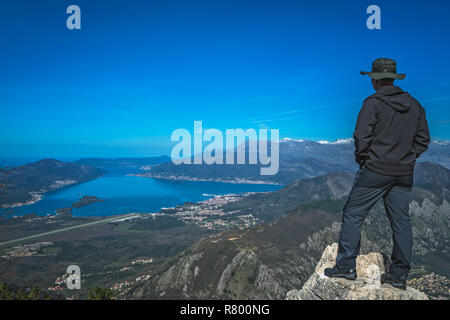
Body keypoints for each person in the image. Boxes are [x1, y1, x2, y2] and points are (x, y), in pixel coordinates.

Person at [324, 58, 430, 290]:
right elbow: (423, 140)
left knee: (353, 214)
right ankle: (399, 275)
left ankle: (346, 267)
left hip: (375, 171)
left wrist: (365, 160)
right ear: (393, 78)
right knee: (401, 222)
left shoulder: (372, 103)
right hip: (403, 174)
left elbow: (361, 136)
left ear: (374, 80)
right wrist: (408, 158)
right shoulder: (415, 105)